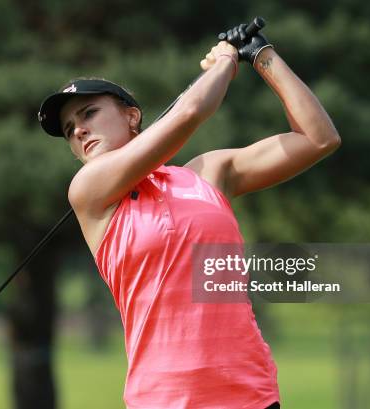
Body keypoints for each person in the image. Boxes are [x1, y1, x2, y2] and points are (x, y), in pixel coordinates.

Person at [38, 24, 340, 409]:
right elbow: (191, 111)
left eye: (89, 113)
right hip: (162, 400)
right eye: (69, 129)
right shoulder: (89, 191)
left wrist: (262, 56)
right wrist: (225, 63)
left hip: (249, 394)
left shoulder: (207, 175)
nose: (79, 130)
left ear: (132, 117)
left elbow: (319, 139)